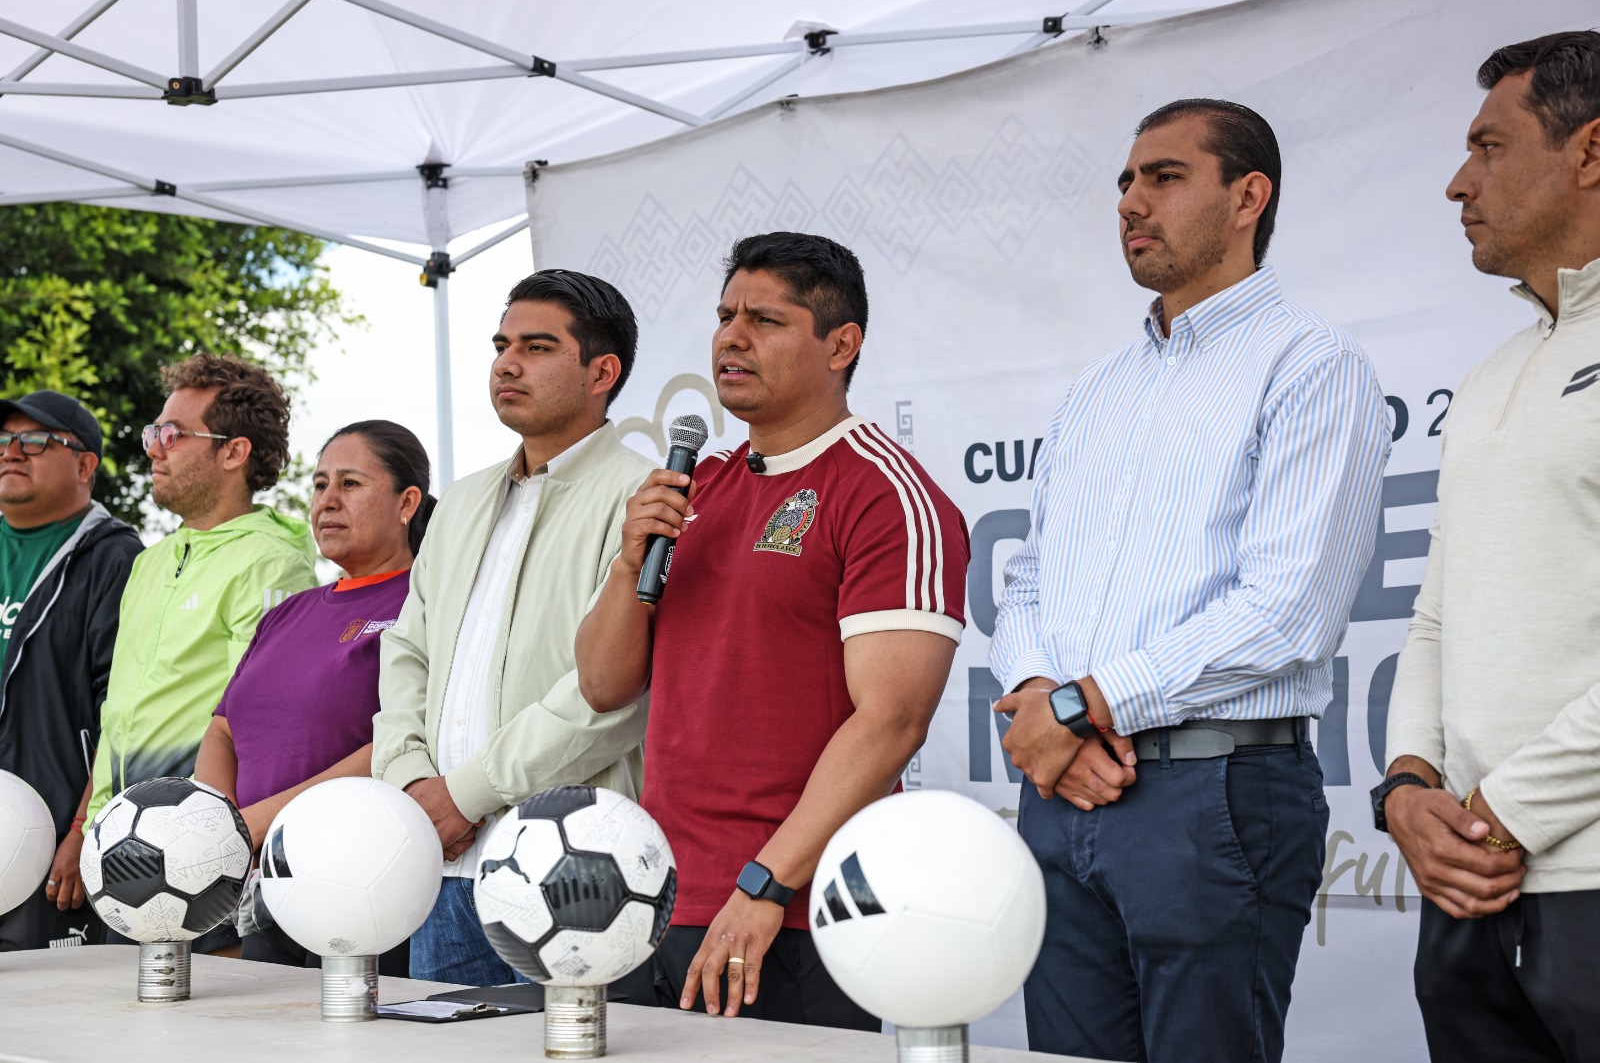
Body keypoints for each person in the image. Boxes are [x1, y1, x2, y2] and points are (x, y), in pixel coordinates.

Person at [988, 100, 1389, 1062]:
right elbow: (1031, 577)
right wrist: (1044, 702)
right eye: (1126, 181)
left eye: (1164, 177)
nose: (1131, 201)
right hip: (1066, 793)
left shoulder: (1310, 365)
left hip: (1216, 793)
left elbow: (1289, 611)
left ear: (1249, 196)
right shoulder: (1098, 389)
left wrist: (1082, 707)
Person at [577, 232, 970, 1029]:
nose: (731, 336)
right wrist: (627, 566)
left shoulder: (886, 493)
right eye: (725, 315)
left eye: (765, 319)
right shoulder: (698, 485)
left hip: (792, 910)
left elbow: (892, 721)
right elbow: (603, 683)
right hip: (652, 896)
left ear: (841, 344)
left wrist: (764, 885)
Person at [1380, 32, 1600, 1062]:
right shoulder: (1488, 375)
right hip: (1470, 886)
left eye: (1488, 146)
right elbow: (1436, 614)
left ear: (1589, 152)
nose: (1456, 182)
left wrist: (1498, 812)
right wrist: (1405, 790)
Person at [372, 269, 654, 985]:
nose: (506, 363)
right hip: (440, 863)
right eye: (501, 344)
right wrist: (410, 785)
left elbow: (613, 697)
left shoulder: (642, 496)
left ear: (603, 371)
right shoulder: (462, 501)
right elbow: (406, 654)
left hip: (578, 877)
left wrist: (463, 795)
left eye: (536, 346)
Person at [87, 352, 319, 952]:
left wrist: (221, 850)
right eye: (153, 433)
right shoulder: (149, 561)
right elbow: (119, 714)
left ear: (233, 452)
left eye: (172, 433)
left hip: (202, 867)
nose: (154, 449)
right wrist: (92, 824)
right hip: (117, 850)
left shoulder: (272, 561)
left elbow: (262, 726)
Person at [194, 420, 433, 973]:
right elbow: (224, 727)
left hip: (361, 876)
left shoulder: (424, 600)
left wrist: (254, 825)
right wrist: (210, 826)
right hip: (261, 882)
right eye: (320, 484)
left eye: (350, 484)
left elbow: (403, 738)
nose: (328, 500)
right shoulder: (288, 612)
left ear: (407, 502)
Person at [0, 391, 142, 951]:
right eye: (5, 441)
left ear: (85, 465)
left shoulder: (115, 559)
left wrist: (85, 830)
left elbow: (124, 713)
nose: (13, 452)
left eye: (34, 441)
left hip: (46, 841)